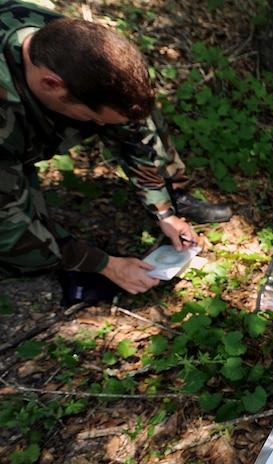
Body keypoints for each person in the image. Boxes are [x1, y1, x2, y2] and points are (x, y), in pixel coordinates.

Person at [0, 1, 233, 295]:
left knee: (132, 114)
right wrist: (103, 264)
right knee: (19, 251)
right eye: (91, 118)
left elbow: (130, 132)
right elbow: (8, 231)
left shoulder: (68, 44)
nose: (99, 127)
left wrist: (164, 212)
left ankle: (173, 195)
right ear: (51, 84)